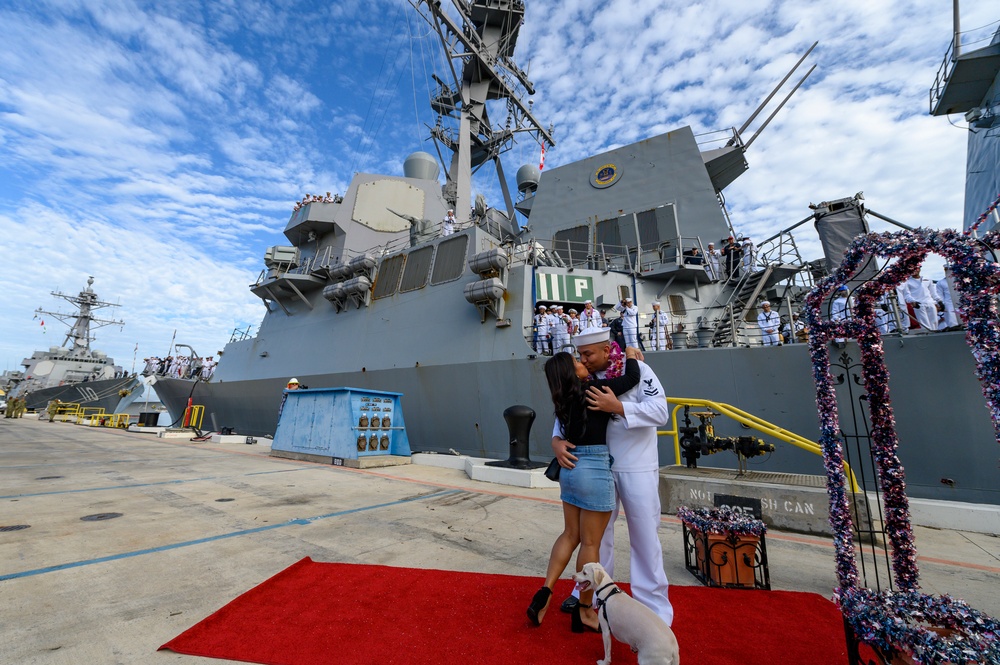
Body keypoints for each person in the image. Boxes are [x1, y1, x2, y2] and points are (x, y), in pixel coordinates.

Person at [554, 333, 674, 627]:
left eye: (589, 354)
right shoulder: (582, 378)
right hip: (596, 467)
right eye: (580, 355)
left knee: (645, 537)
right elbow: (563, 411)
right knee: (597, 538)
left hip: (636, 465)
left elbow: (660, 411)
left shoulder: (637, 370)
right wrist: (556, 440)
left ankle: (654, 608)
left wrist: (619, 407)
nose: (583, 360)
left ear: (608, 350)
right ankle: (591, 598)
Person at [526, 335, 642, 630]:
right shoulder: (594, 390)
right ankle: (585, 609)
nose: (582, 363)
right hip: (593, 468)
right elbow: (631, 377)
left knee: (569, 534)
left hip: (570, 468)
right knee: (591, 543)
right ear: (571, 372)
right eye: (576, 362)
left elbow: (561, 434)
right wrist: (629, 350)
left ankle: (546, 591)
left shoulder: (563, 402)